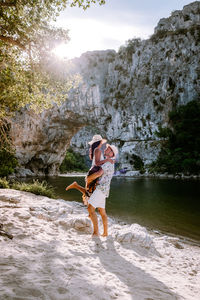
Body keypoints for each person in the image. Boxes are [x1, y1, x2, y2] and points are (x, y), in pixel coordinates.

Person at [65, 135, 114, 204]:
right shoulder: (98, 150)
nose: (102, 144)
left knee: (89, 192)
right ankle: (76, 186)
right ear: (99, 142)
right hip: (94, 172)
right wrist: (107, 160)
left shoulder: (96, 150)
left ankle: (75, 186)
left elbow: (97, 163)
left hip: (94, 172)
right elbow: (97, 163)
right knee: (89, 193)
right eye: (101, 142)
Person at [87, 144, 118, 237]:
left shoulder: (108, 163)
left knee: (90, 208)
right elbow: (98, 165)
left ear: (111, 153)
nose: (105, 149)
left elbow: (99, 173)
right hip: (104, 190)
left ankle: (96, 232)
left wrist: (88, 179)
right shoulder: (108, 162)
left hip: (101, 189)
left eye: (107, 149)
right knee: (102, 211)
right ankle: (105, 233)